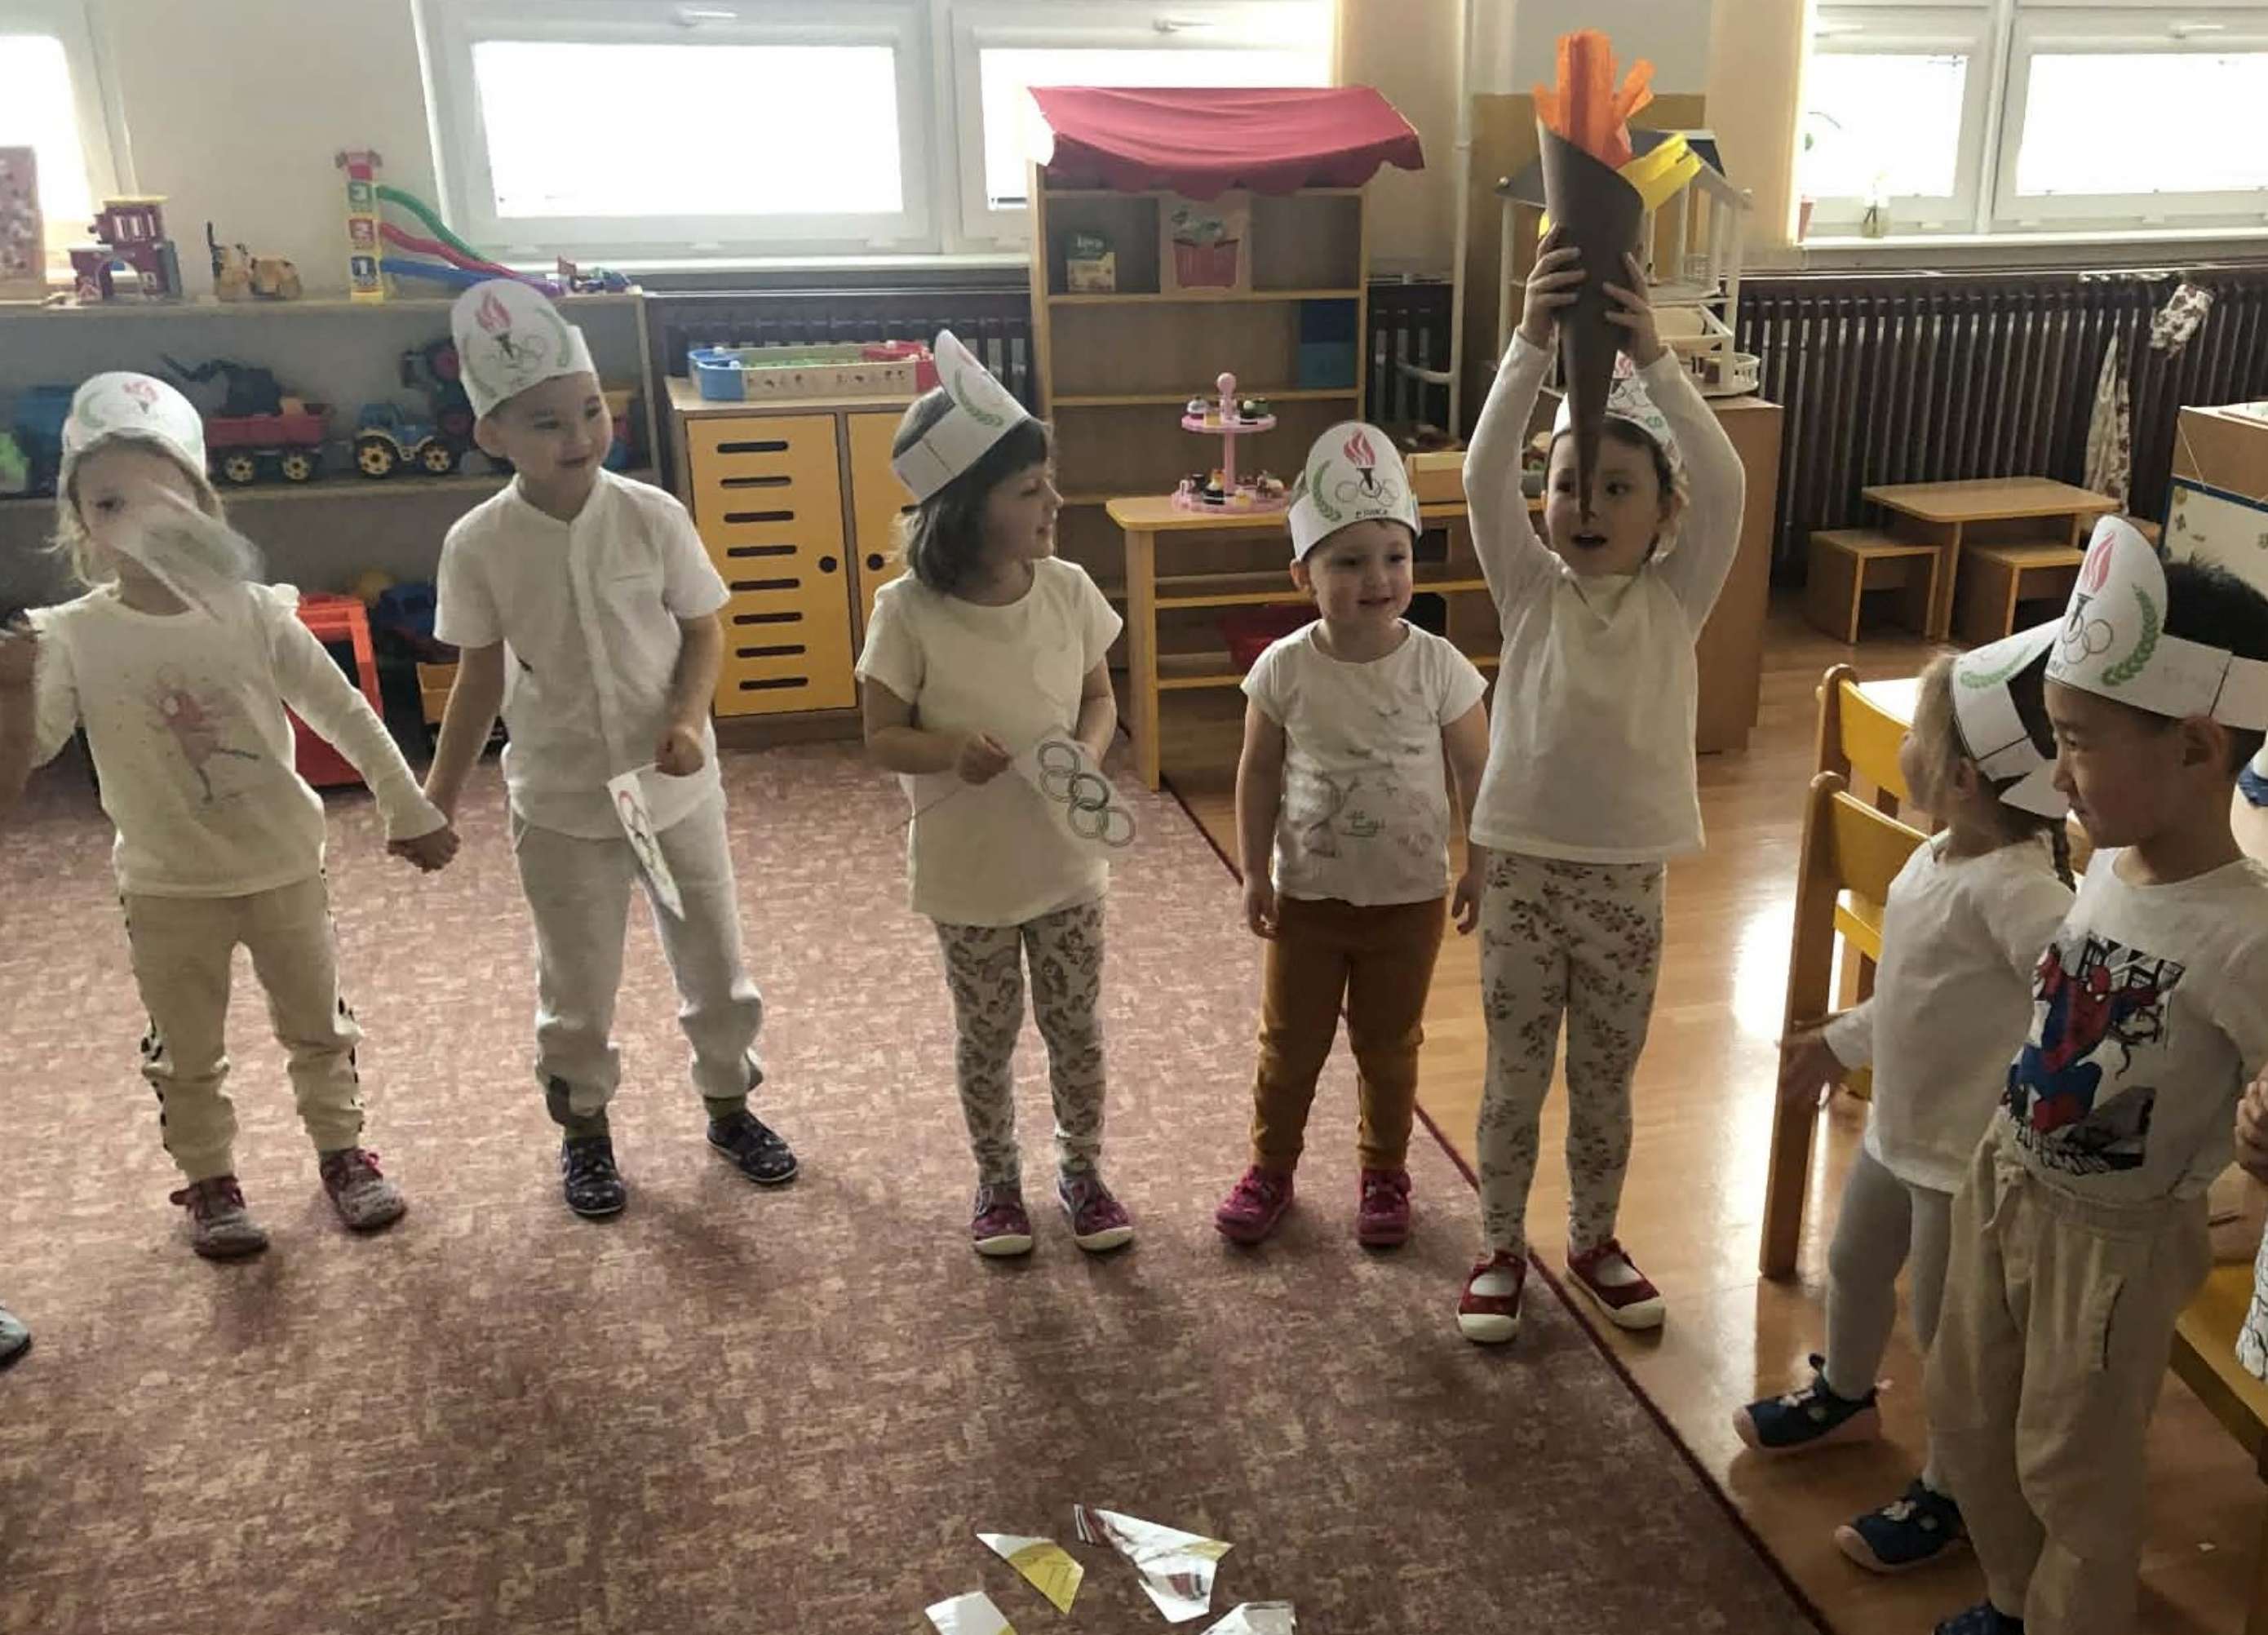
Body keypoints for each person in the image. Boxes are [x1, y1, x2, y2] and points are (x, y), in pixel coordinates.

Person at [0, 373, 452, 1258]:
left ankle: (343, 1152)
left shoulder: (252, 612)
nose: (138, 519)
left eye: (162, 497)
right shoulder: (75, 634)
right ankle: (209, 1179)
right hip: (166, 886)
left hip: (282, 865)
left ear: (204, 507)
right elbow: (37, 748)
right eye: (110, 502)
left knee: (319, 1026)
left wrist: (408, 806)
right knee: (186, 1048)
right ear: (79, 523)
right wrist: (14, 688)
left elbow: (344, 711)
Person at [1925, 519, 2268, 1635]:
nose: (2055, 771)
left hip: (2114, 1247)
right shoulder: (2110, 861)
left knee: (2072, 1470)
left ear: (2197, 748)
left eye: (2076, 741)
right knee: (1969, 1416)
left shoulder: (2247, 932)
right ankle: (2010, 1600)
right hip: (2005, 1183)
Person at [423, 280, 795, 1220]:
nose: (579, 435)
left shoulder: (650, 514)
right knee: (577, 982)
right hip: (562, 803)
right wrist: (436, 796)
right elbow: (476, 676)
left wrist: (687, 720)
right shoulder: (477, 544)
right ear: (493, 433)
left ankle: (730, 1104)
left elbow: (703, 629)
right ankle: (584, 1130)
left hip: (673, 794)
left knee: (713, 960)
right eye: (547, 421)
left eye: (591, 410)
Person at [1451, 236, 1745, 1340]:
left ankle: (1592, 1238)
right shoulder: (1530, 590)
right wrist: (1529, 341)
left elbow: (1727, 482)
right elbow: (1483, 472)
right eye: (1570, 482)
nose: (1585, 503)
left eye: (1617, 488)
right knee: (1514, 1077)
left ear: (1663, 514)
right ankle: (1497, 1244)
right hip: (1523, 877)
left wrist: (1655, 360)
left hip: (1625, 883)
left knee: (1606, 1082)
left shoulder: (1677, 599)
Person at [1736, 628, 2075, 1575]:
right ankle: (1846, 1395)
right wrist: (1841, 1042)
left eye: (1916, 740)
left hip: (1966, 1168)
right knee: (1851, 1264)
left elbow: (2075, 1012)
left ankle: (1954, 1489)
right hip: (1900, 1132)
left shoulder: (2022, 893)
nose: (1903, 752)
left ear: (1962, 778)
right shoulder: (1938, 859)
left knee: (1948, 1338)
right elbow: (1914, 989)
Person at [856, 330, 1132, 1259]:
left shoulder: (1069, 591)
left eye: (1048, 483)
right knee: (986, 1034)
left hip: (1065, 864)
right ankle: (997, 1183)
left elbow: (1100, 698)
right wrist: (945, 752)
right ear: (966, 508)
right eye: (1029, 490)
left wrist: (1086, 754)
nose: (1055, 502)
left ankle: (1083, 1173)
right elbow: (878, 735)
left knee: (1075, 1029)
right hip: (968, 873)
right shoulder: (906, 611)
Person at [1212, 422, 1489, 1248]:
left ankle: (1384, 1172)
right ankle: (1270, 1168)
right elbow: (1258, 772)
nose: (1378, 579)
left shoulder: (1439, 666)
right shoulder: (1283, 668)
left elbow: (1476, 771)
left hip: (1408, 900)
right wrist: (1253, 870)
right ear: (1303, 573)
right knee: (1288, 1046)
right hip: (1308, 897)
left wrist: (1480, 865)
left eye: (1395, 557)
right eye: (1349, 562)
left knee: (1389, 1047)